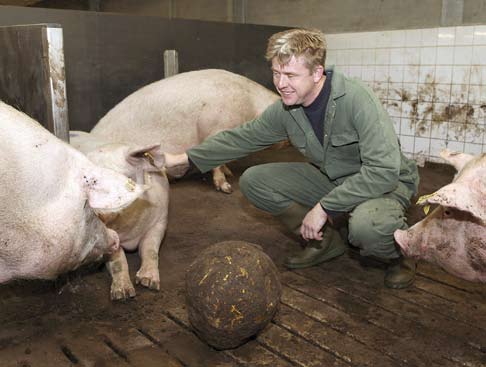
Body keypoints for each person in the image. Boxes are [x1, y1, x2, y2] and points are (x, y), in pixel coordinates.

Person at [164, 28, 420, 289]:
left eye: (290, 75)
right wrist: (181, 159)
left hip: (385, 184)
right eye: (276, 73)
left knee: (368, 227)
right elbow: (241, 138)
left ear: (317, 72)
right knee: (254, 180)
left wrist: (324, 208)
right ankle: (324, 241)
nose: (281, 83)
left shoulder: (357, 100)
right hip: (335, 179)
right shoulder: (288, 107)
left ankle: (402, 253)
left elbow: (383, 171)